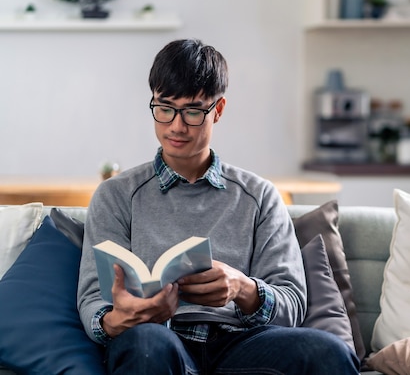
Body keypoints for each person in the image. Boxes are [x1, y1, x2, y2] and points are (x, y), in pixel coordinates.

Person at [77, 38, 360, 375]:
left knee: (327, 352)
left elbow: (293, 304)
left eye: (193, 112)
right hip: (156, 340)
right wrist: (114, 320)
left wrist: (243, 289)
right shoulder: (116, 195)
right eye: (164, 108)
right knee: (147, 345)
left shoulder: (260, 196)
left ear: (218, 110)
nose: (176, 126)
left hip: (240, 343)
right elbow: (93, 296)